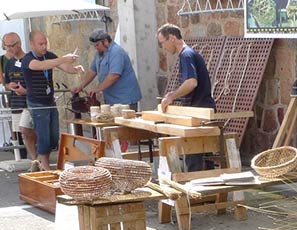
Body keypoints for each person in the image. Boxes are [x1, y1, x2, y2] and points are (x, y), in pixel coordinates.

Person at [156, 23, 215, 172]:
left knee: (193, 155)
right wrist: (173, 96)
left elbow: (191, 82)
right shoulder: (186, 55)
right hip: (198, 110)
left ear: (173, 38)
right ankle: (208, 191)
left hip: (200, 112)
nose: (163, 47)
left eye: (163, 42)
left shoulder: (186, 55)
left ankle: (196, 192)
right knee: (203, 156)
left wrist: (171, 97)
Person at [21, 31, 84, 171]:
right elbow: (42, 66)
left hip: (50, 100)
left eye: (45, 43)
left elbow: (63, 67)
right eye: (40, 44)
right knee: (43, 133)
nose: (44, 47)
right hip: (37, 102)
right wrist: (63, 58)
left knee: (53, 135)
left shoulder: (49, 55)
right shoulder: (27, 59)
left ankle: (41, 162)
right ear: (32, 44)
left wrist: (75, 69)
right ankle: (45, 165)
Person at [71, 29, 142, 109]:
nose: (95, 47)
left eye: (97, 45)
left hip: (125, 100)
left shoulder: (116, 52)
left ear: (105, 41)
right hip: (111, 100)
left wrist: (97, 89)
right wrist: (81, 86)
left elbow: (114, 76)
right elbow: (92, 71)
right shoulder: (99, 54)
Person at [2, 32, 36, 163]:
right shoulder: (9, 62)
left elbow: (38, 82)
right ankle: (32, 160)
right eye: (6, 46)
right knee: (21, 133)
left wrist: (26, 90)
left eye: (11, 45)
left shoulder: (29, 59)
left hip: (29, 102)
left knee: (26, 129)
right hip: (16, 103)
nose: (9, 49)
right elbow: (6, 82)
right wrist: (9, 86)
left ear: (19, 44)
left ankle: (36, 158)